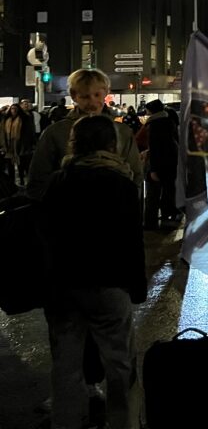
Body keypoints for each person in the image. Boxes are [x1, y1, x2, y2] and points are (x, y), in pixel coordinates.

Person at [43, 115, 146, 429]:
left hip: (64, 285)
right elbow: (132, 240)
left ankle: (66, 421)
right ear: (111, 144)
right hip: (109, 283)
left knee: (65, 365)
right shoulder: (121, 183)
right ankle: (123, 422)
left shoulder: (59, 181)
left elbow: (47, 235)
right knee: (120, 363)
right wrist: (137, 287)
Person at [28, 69, 143, 201]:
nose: (92, 102)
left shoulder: (123, 131)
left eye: (97, 95)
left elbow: (136, 174)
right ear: (73, 96)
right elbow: (38, 178)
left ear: (106, 92)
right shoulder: (55, 132)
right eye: (85, 97)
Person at [134, 100, 179, 230]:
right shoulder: (170, 121)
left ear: (152, 111)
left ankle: (150, 223)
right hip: (171, 163)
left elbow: (154, 147)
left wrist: (153, 169)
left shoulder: (154, 124)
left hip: (156, 163)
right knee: (168, 191)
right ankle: (167, 219)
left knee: (152, 194)